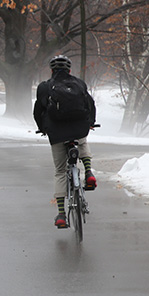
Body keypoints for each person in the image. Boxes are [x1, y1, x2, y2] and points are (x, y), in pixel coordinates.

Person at [33, 55, 97, 228]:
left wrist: (43, 128)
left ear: (51, 70)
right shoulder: (79, 84)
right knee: (82, 140)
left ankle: (61, 214)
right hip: (79, 128)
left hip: (57, 132)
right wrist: (90, 123)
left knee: (60, 171)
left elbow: (37, 111)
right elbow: (90, 104)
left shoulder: (45, 87)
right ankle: (89, 173)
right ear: (69, 70)